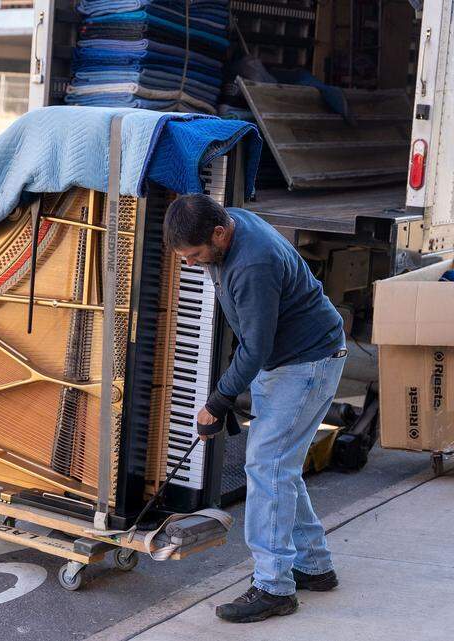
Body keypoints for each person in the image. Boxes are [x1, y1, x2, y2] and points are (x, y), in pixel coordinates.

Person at [163, 193, 347, 623]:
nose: (191, 264)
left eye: (194, 256)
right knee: (278, 466)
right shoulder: (232, 225)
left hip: (304, 364)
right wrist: (228, 389)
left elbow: (255, 346)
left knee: (266, 468)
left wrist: (218, 401)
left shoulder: (252, 264)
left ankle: (274, 587)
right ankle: (314, 566)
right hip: (289, 360)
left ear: (219, 233)